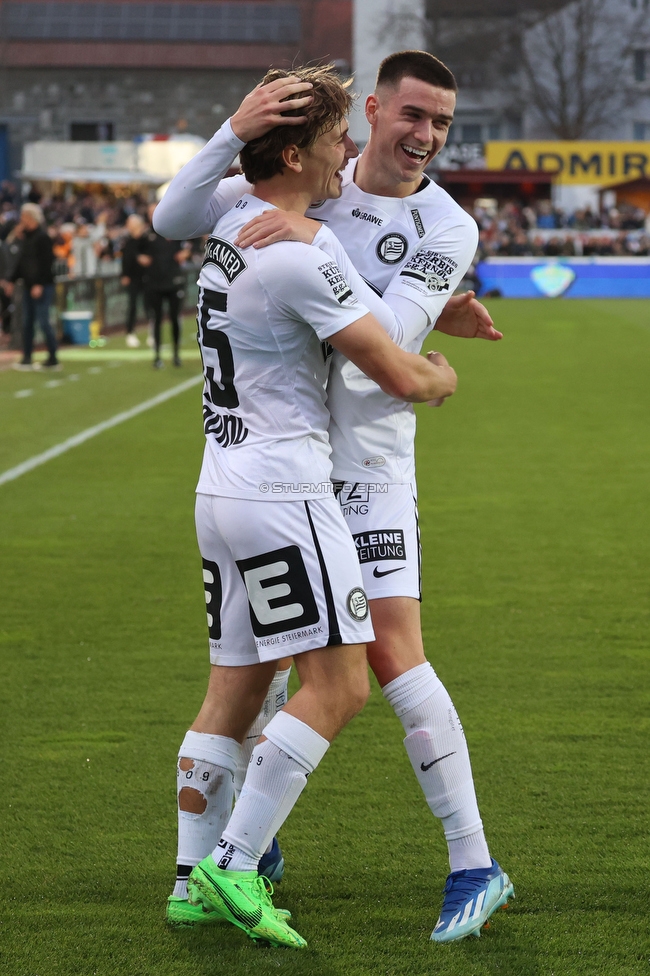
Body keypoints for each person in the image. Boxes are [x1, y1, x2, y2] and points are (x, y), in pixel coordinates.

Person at [154, 53, 513, 944]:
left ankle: (473, 861)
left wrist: (354, 271)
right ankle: (231, 860)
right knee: (268, 671)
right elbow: (174, 215)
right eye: (413, 115)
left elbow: (387, 341)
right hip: (294, 476)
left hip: (369, 470)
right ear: (377, 111)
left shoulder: (441, 224)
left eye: (443, 124)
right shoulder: (296, 185)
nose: (425, 137)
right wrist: (238, 138)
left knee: (387, 657)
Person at [8, 203, 59, 371]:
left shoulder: (42, 237)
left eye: (24, 217)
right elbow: (22, 262)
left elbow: (46, 263)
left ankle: (53, 356)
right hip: (28, 285)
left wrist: (39, 284)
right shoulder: (26, 238)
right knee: (27, 322)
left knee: (43, 321)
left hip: (41, 286)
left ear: (30, 218)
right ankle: (27, 356)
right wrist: (11, 280)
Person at [141, 207, 190, 368]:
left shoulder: (176, 230)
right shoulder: (148, 235)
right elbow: (135, 250)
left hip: (173, 281)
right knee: (156, 319)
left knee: (175, 318)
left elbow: (190, 245)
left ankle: (176, 353)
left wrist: (185, 253)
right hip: (155, 282)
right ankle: (157, 355)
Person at [120, 213, 150, 348]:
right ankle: (130, 332)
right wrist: (124, 274)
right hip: (133, 278)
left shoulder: (147, 240)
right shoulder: (128, 241)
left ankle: (152, 333)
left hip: (147, 277)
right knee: (132, 306)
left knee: (149, 306)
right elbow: (125, 259)